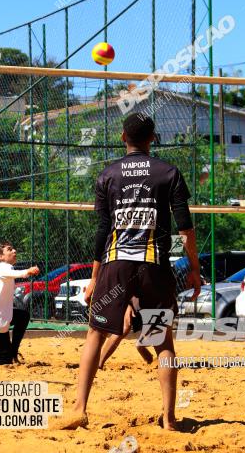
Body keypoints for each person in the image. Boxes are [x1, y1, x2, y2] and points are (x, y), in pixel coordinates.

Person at [61, 113, 201, 430]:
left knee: (95, 334)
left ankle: (80, 410)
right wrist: (194, 268)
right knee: (161, 341)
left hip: (116, 262)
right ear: (153, 138)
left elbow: (102, 230)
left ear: (123, 136)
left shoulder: (108, 175)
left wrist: (95, 278)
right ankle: (168, 418)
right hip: (154, 263)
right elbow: (186, 228)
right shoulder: (168, 172)